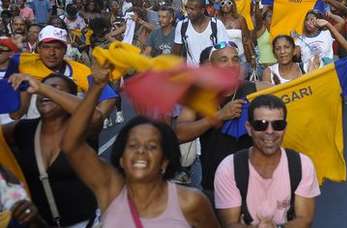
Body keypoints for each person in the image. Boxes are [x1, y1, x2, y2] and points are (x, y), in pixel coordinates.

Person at [62, 61, 218, 227]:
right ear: (121, 158)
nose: (141, 151)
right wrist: (97, 87)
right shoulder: (109, 189)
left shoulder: (191, 202)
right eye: (132, 145)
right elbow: (71, 145)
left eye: (152, 146)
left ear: (165, 160)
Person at [3, 74, 106, 226]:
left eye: (55, 88)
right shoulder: (23, 129)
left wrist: (42, 88)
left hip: (87, 223)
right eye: (40, 92)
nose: (44, 94)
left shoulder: (81, 130)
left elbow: (95, 116)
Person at [214, 95, 320, 227]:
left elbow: (305, 220)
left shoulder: (302, 165)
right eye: (260, 125)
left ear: (285, 128)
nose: (270, 131)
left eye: (278, 125)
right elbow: (230, 224)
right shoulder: (229, 168)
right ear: (249, 128)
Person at [174, 42, 256, 194]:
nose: (231, 64)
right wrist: (219, 115)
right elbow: (179, 134)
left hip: (253, 183)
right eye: (223, 60)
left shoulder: (256, 89)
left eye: (235, 59)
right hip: (216, 184)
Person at [173, 0, 229, 65]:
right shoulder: (181, 25)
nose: (188, 12)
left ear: (202, 10)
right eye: (187, 8)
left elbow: (224, 51)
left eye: (192, 9)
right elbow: (176, 54)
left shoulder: (216, 25)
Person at [217, 0, 255, 66]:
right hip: (223, 59)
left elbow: (247, 39)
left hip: (240, 56)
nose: (225, 5)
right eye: (222, 3)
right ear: (220, 6)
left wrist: (252, 56)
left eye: (228, 3)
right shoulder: (217, 21)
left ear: (233, 5)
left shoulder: (240, 19)